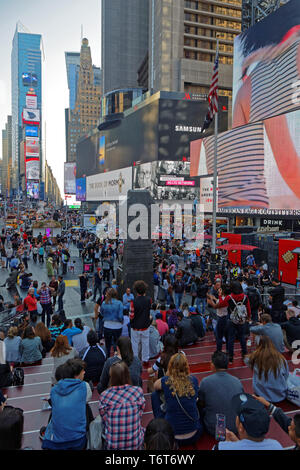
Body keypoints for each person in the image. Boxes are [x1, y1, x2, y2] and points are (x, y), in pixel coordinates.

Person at [152, 352, 203, 447]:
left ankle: (158, 426)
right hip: (195, 434)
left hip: (171, 436)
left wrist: (168, 374)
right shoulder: (194, 380)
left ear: (170, 366)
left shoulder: (166, 381)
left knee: (155, 395)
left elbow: (155, 386)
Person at [42, 358, 92, 450]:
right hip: (78, 441)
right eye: (82, 371)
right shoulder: (85, 387)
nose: (84, 372)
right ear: (76, 375)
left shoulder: (54, 390)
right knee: (85, 406)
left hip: (56, 443)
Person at [99, 361, 145, 450]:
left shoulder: (104, 396)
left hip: (113, 446)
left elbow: (105, 419)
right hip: (136, 444)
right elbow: (139, 414)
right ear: (127, 375)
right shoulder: (138, 391)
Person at [198, 351, 244, 436]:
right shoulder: (237, 381)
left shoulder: (205, 382)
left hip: (215, 429)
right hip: (235, 427)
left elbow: (201, 403)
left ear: (213, 365)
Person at [215, 393, 282, 450]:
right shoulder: (276, 446)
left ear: (241, 427)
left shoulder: (221, 447)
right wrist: (237, 442)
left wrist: (231, 445)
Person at [244, 335, 289, 403]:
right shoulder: (281, 358)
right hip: (281, 394)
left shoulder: (253, 359)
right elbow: (286, 375)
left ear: (257, 345)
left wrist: (249, 349)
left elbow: (246, 359)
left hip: (262, 396)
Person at [215, 281, 251, 363]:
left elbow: (221, 304)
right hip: (241, 319)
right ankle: (244, 352)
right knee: (242, 336)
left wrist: (220, 296)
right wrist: (248, 317)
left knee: (231, 338)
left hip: (232, 319)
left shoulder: (229, 297)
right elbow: (248, 308)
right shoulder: (245, 297)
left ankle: (230, 357)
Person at [130, 280, 152, 367]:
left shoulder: (133, 302)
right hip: (145, 326)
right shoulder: (148, 300)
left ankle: (135, 360)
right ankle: (145, 360)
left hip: (135, 326)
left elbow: (131, 316)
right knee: (145, 343)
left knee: (135, 344)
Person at [100, 288, 124, 357]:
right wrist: (121, 321)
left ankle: (107, 357)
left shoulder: (104, 303)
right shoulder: (119, 303)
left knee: (108, 344)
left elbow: (101, 313)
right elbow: (120, 316)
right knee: (117, 343)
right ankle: (117, 355)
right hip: (117, 326)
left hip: (107, 326)